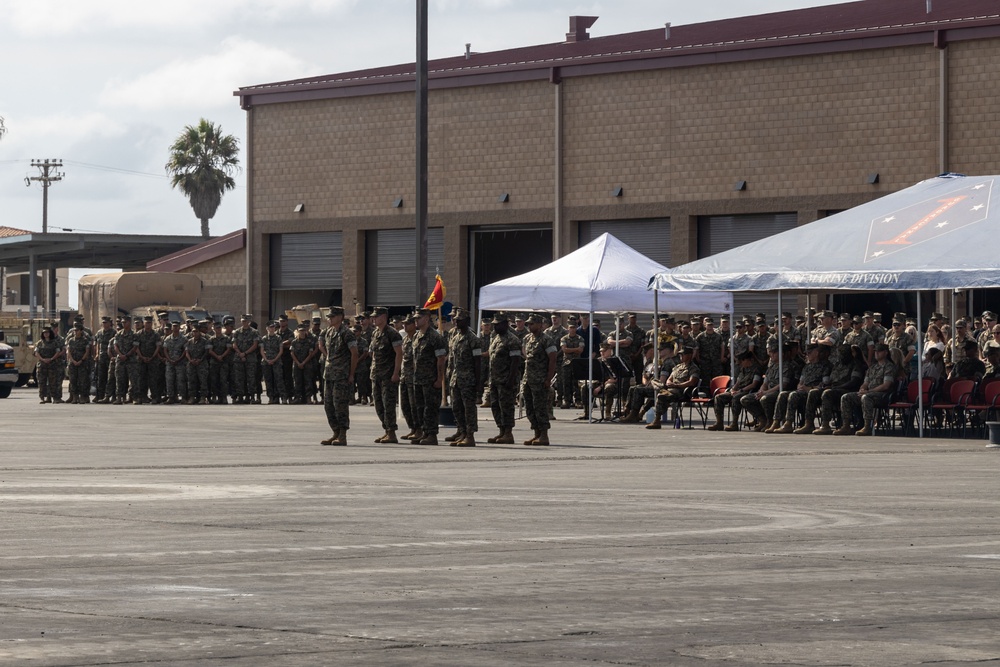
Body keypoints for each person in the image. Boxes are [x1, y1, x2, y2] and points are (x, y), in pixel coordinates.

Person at [835, 343, 897, 436]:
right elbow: (866, 382)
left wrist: (869, 392)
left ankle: (868, 426)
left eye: (879, 352)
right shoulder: (873, 367)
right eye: (875, 351)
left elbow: (886, 385)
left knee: (866, 397)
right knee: (846, 397)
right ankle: (846, 426)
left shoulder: (889, 367)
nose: (876, 353)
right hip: (869, 393)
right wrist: (862, 389)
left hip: (883, 395)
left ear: (885, 353)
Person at [319, 307, 358, 446]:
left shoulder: (347, 333)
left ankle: (342, 434)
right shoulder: (329, 332)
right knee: (328, 405)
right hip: (329, 375)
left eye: (332, 316)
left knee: (340, 405)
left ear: (340, 317)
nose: (329, 319)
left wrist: (351, 374)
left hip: (341, 376)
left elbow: (354, 354)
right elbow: (322, 346)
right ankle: (335, 432)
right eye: (329, 316)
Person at [771, 343, 830, 434]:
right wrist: (800, 386)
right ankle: (778, 422)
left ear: (816, 353)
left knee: (795, 395)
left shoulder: (825, 366)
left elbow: (824, 384)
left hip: (815, 392)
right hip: (803, 391)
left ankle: (807, 424)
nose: (807, 355)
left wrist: (809, 388)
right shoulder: (807, 367)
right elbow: (801, 381)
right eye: (806, 353)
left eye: (809, 353)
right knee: (783, 394)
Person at [518, 313, 558, 444]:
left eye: (532, 324)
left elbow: (552, 359)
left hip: (540, 380)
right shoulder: (527, 338)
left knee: (540, 407)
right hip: (528, 379)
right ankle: (536, 433)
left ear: (540, 325)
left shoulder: (546, 339)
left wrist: (548, 379)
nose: (529, 326)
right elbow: (525, 356)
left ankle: (544, 435)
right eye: (528, 324)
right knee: (529, 407)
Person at [410, 308, 447, 445]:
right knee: (419, 407)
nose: (416, 321)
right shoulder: (416, 336)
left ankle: (432, 434)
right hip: (418, 379)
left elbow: (441, 359)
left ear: (426, 318)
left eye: (418, 318)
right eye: (415, 318)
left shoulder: (435, 337)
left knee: (430, 408)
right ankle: (424, 432)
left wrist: (439, 378)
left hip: (431, 379)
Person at [445, 308, 481, 446]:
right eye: (455, 320)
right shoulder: (455, 337)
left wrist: (478, 383)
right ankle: (462, 432)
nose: (456, 322)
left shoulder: (473, 339)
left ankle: (470, 436)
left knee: (469, 409)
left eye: (459, 320)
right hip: (456, 379)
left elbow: (478, 362)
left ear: (466, 321)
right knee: (457, 407)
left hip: (468, 380)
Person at [813, 344, 866, 435]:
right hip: (833, 388)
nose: (841, 356)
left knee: (827, 393)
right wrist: (825, 384)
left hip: (847, 389)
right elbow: (831, 379)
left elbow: (854, 382)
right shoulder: (837, 365)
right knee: (813, 393)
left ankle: (827, 424)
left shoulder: (856, 364)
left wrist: (836, 387)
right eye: (839, 354)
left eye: (843, 354)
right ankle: (808, 423)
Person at [368, 307, 403, 443]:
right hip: (376, 374)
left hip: (388, 375)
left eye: (376, 317)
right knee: (378, 404)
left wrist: (396, 373)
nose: (374, 319)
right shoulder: (375, 333)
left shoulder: (392, 334)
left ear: (383, 317)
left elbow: (399, 354)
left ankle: (391, 432)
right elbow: (372, 353)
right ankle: (386, 430)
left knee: (388, 404)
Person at [487, 313, 523, 444]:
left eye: (498, 324)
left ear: (505, 324)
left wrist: (511, 379)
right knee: (496, 406)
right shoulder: (496, 338)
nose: (495, 327)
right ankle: (501, 431)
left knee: (506, 406)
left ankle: (508, 433)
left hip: (506, 380)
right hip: (495, 380)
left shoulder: (512, 340)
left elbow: (515, 361)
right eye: (494, 324)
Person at [646, 346, 700, 429]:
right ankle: (654, 416)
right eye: (680, 355)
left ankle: (656, 420)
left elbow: (692, 382)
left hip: (683, 391)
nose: (680, 356)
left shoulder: (693, 368)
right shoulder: (678, 367)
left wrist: (677, 385)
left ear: (689, 355)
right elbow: (669, 379)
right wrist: (669, 383)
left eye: (683, 355)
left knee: (662, 396)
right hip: (671, 389)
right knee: (657, 385)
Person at [707, 350, 762, 431]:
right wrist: (733, 390)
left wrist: (740, 391)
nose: (740, 363)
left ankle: (734, 423)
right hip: (739, 391)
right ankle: (719, 423)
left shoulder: (756, 370)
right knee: (719, 397)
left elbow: (754, 384)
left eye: (742, 361)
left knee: (736, 398)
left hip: (748, 391)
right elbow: (738, 382)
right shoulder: (743, 370)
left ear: (747, 360)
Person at [231, 314, 261, 404]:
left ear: (249, 322)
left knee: (251, 378)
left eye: (245, 321)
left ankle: (252, 397)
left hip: (250, 358)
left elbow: (255, 345)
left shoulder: (254, 332)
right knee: (239, 378)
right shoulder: (236, 332)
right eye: (242, 321)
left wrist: (245, 353)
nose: (244, 322)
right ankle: (240, 397)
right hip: (238, 358)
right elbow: (234, 344)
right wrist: (240, 353)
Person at [399, 314, 419, 439]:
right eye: (404, 324)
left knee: (414, 405)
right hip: (405, 376)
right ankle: (412, 428)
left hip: (415, 377)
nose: (404, 326)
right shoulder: (405, 339)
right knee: (405, 405)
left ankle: (419, 429)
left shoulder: (418, 338)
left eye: (407, 324)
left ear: (414, 325)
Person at [289, 323, 318, 405]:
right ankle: (298, 397)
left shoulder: (309, 342)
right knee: (297, 381)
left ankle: (308, 397)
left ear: (306, 331)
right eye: (300, 331)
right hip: (297, 364)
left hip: (307, 363)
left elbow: (310, 353)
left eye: (303, 331)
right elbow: (292, 353)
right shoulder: (294, 342)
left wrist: (304, 362)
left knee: (307, 381)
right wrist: (298, 363)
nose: (302, 332)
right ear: (297, 331)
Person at [259, 321, 288, 404]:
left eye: (273, 327)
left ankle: (283, 397)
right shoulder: (263, 339)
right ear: (267, 328)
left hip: (277, 361)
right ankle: (271, 397)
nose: (272, 329)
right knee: (268, 380)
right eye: (270, 327)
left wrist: (275, 359)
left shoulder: (278, 338)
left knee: (279, 380)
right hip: (266, 362)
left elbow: (281, 351)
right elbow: (261, 351)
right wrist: (267, 360)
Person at [34, 326, 64, 404]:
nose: (46, 334)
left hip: (52, 365)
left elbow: (58, 352)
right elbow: (36, 353)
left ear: (50, 333)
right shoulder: (39, 343)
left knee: (53, 382)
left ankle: (55, 398)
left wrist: (51, 359)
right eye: (44, 333)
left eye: (47, 333)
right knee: (42, 382)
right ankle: (42, 398)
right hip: (42, 365)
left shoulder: (55, 342)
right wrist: (43, 359)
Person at [559, 318, 584, 409]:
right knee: (566, 382)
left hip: (577, 363)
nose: (572, 329)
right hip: (566, 363)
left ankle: (578, 400)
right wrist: (575, 350)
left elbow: (580, 350)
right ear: (568, 328)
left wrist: (570, 350)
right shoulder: (564, 338)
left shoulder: (580, 338)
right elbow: (564, 350)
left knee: (576, 383)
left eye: (574, 327)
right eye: (570, 327)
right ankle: (567, 400)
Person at [66, 322, 92, 403]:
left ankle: (83, 397)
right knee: (73, 380)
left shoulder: (85, 340)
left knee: (82, 380)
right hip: (73, 363)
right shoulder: (71, 340)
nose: (75, 332)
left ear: (81, 331)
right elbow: (68, 351)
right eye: (74, 331)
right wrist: (72, 361)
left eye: (77, 330)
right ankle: (74, 397)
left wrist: (81, 360)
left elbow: (87, 352)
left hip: (82, 363)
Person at [162, 321, 188, 404]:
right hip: (170, 363)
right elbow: (165, 350)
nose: (175, 328)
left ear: (179, 327)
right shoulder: (167, 339)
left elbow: (185, 351)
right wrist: (169, 359)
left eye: (177, 326)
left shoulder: (183, 339)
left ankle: (183, 397)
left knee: (181, 380)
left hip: (180, 363)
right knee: (169, 380)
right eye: (174, 326)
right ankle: (171, 397)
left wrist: (179, 359)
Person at [185, 321, 211, 404]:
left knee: (202, 381)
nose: (195, 333)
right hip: (192, 364)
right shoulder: (189, 341)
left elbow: (206, 352)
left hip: (201, 364)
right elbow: (187, 352)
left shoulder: (204, 341)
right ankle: (192, 397)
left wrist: (200, 359)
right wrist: (190, 360)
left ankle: (203, 397)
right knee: (191, 381)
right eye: (193, 332)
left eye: (196, 331)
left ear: (199, 332)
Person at [209, 319, 233, 404]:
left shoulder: (226, 338)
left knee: (223, 380)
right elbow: (210, 350)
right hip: (214, 362)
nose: (218, 330)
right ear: (214, 329)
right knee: (214, 380)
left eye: (219, 328)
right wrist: (217, 356)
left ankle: (224, 397)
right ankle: (215, 396)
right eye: (216, 328)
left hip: (224, 362)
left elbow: (229, 349)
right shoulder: (211, 339)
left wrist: (221, 356)